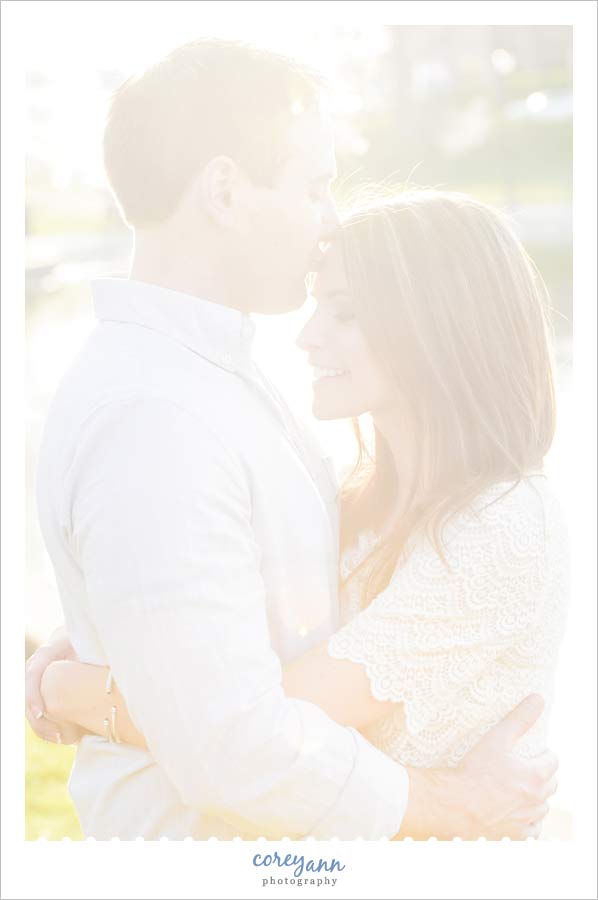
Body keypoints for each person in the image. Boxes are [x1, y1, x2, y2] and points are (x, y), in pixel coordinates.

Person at [26, 41, 558, 841]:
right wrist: (452, 804)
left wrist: (86, 671)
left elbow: (252, 600)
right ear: (226, 192)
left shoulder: (219, 381)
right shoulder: (157, 414)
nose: (330, 219)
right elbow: (230, 742)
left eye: (347, 309)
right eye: (316, 187)